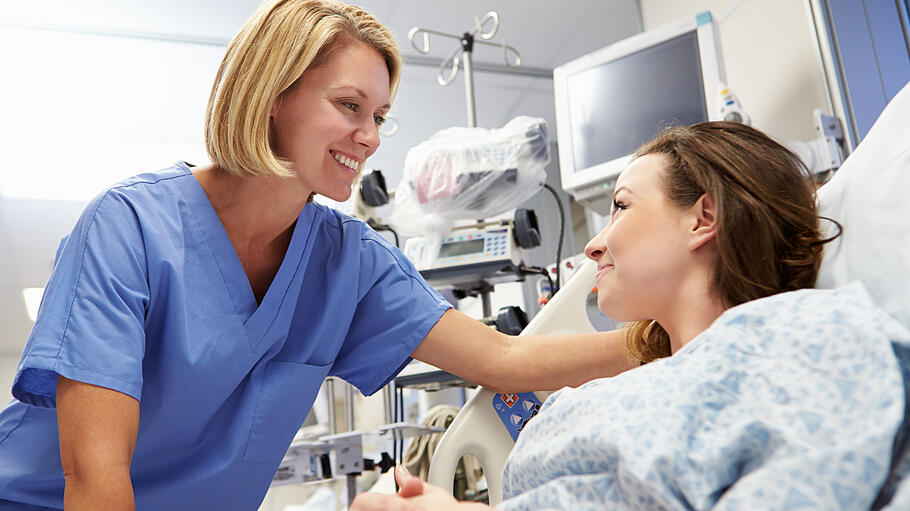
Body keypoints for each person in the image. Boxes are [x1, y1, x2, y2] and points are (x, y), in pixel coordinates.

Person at [0, 1, 636, 509]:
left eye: (380, 115)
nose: (372, 136)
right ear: (272, 95)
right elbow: (96, 481)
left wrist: (676, 334)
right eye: (349, 106)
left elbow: (506, 359)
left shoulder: (346, 260)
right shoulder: (129, 227)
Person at [351, 122, 910, 509]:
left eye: (620, 206)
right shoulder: (594, 401)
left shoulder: (811, 343)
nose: (593, 246)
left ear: (703, 218)